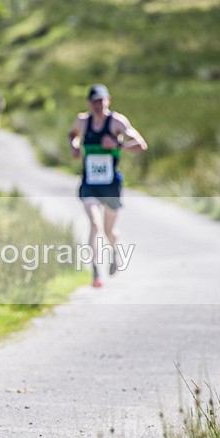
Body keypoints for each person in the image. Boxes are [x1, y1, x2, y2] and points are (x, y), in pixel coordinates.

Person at [68, 84, 148, 288]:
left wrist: (118, 145)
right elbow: (72, 135)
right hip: (90, 183)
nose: (98, 105)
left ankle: (114, 250)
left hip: (111, 184)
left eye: (101, 101)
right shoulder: (83, 121)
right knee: (95, 224)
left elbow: (141, 144)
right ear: (89, 103)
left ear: (108, 100)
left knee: (109, 230)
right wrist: (74, 147)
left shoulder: (117, 122)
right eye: (94, 101)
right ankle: (96, 272)